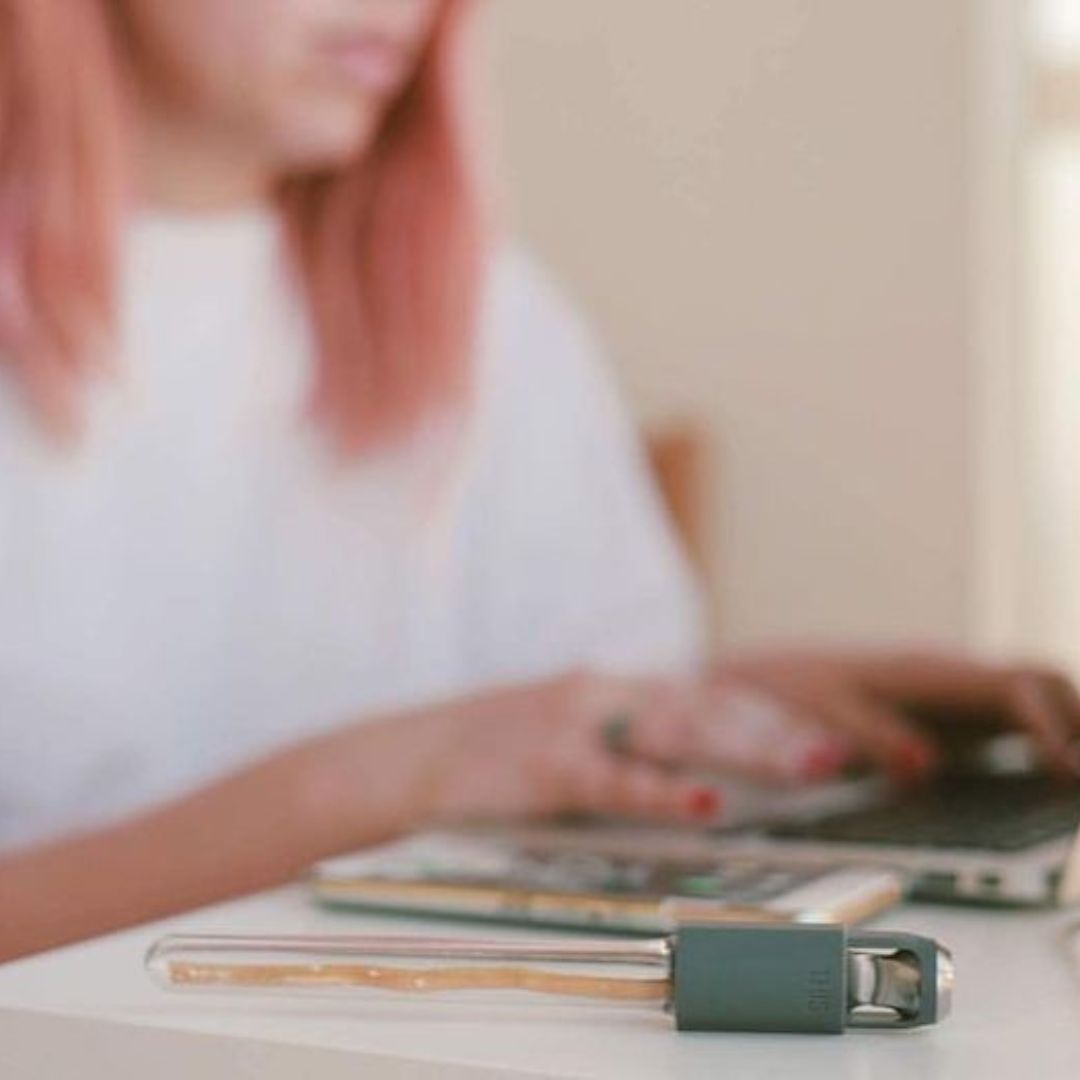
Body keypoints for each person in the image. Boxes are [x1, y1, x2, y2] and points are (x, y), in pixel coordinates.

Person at [0, 0, 1076, 963]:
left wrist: (807, 714)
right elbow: (450, 752)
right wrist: (375, 784)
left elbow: (554, 723)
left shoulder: (488, 312)